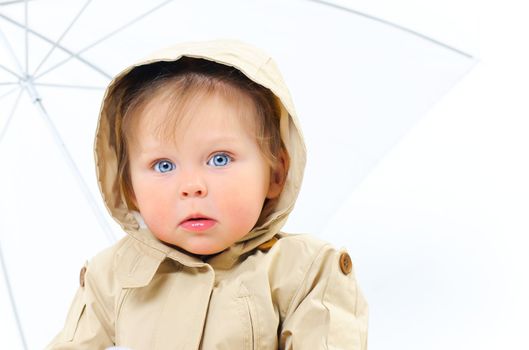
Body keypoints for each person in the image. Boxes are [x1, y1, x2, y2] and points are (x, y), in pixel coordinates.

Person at [46, 39, 368, 349]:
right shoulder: (111, 278)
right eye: (163, 166)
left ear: (276, 173)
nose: (191, 187)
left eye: (219, 159)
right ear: (129, 188)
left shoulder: (304, 272)